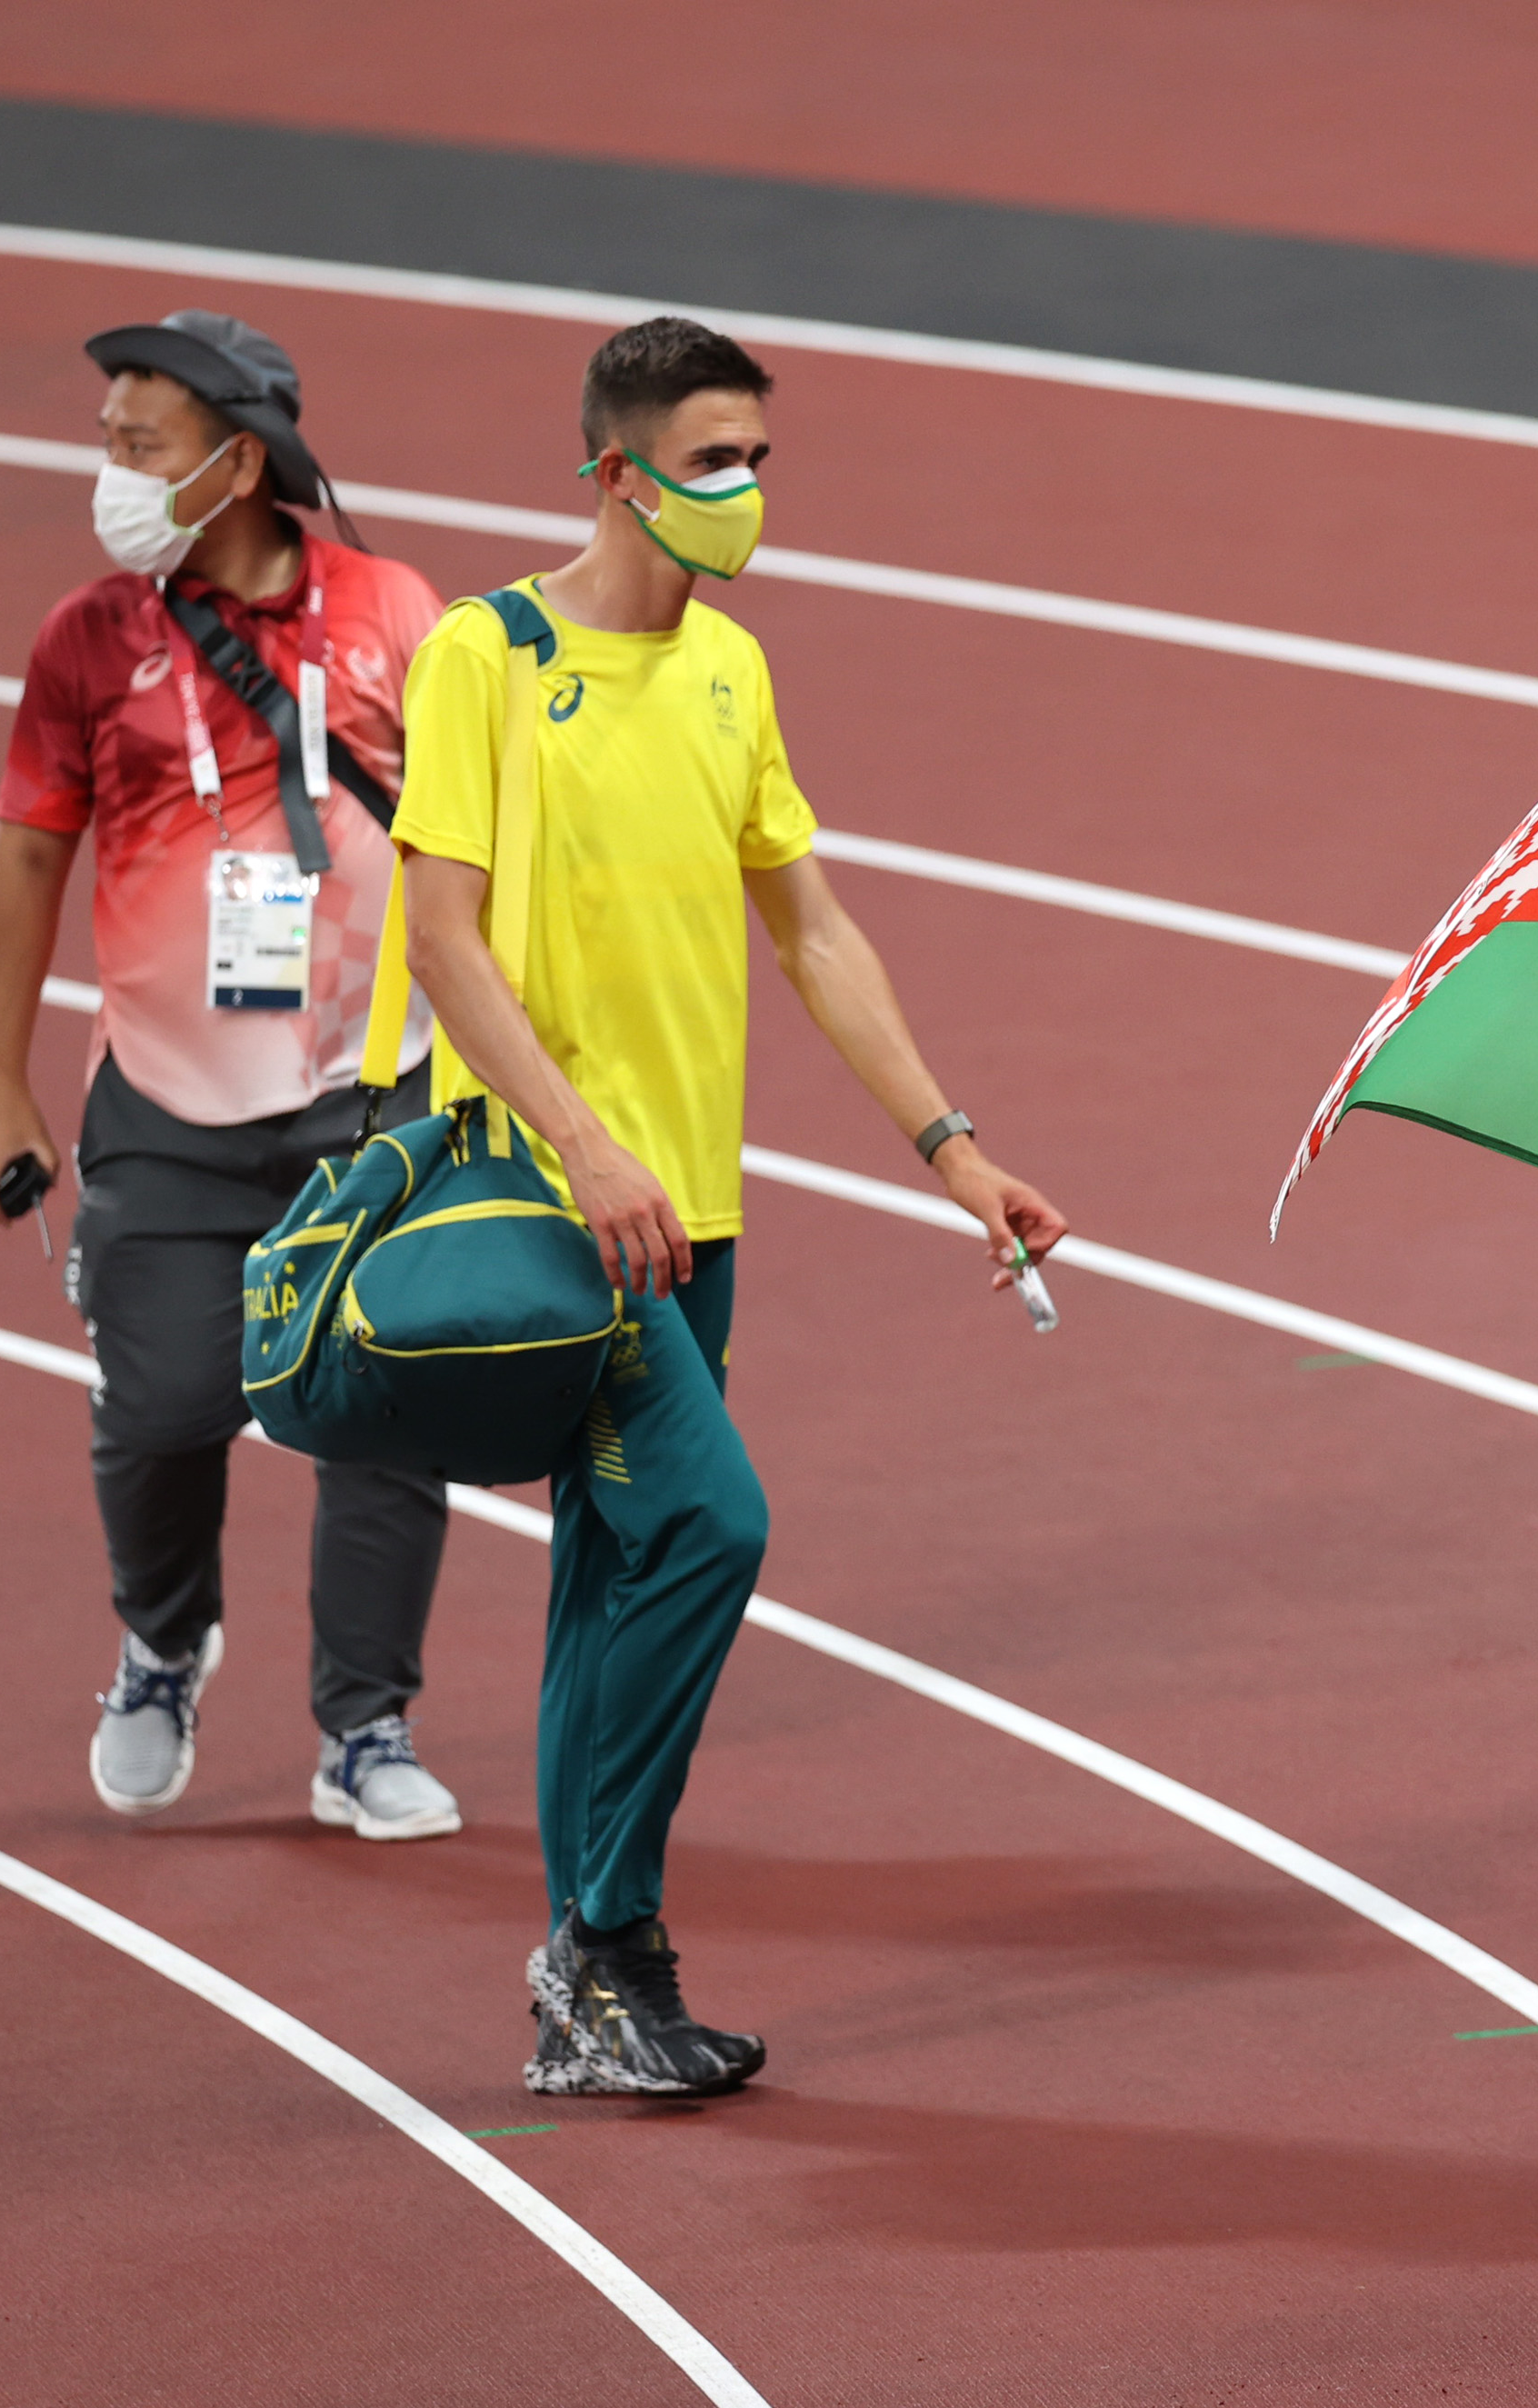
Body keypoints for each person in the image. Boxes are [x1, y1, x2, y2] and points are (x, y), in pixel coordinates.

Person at [393, 316, 1066, 2098]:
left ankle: (585, 1996)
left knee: (610, 1570)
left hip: (694, 1214)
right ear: (614, 472)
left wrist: (953, 1148)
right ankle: (609, 1948)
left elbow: (812, 928)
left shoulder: (728, 670)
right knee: (708, 1528)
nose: (746, 489)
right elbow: (443, 939)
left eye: (759, 458)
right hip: (561, 1208)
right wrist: (585, 1147)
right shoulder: (485, 654)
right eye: (711, 460)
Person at [0, 309, 464, 1842]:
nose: (110, 473)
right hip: (167, 1108)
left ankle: (364, 1727)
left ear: (239, 464)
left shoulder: (394, 610)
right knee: (165, 1408)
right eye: (108, 441)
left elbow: (473, 843)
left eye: (141, 445)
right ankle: (163, 1642)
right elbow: (25, 862)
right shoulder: (86, 638)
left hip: (373, 1100)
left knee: (385, 1416)